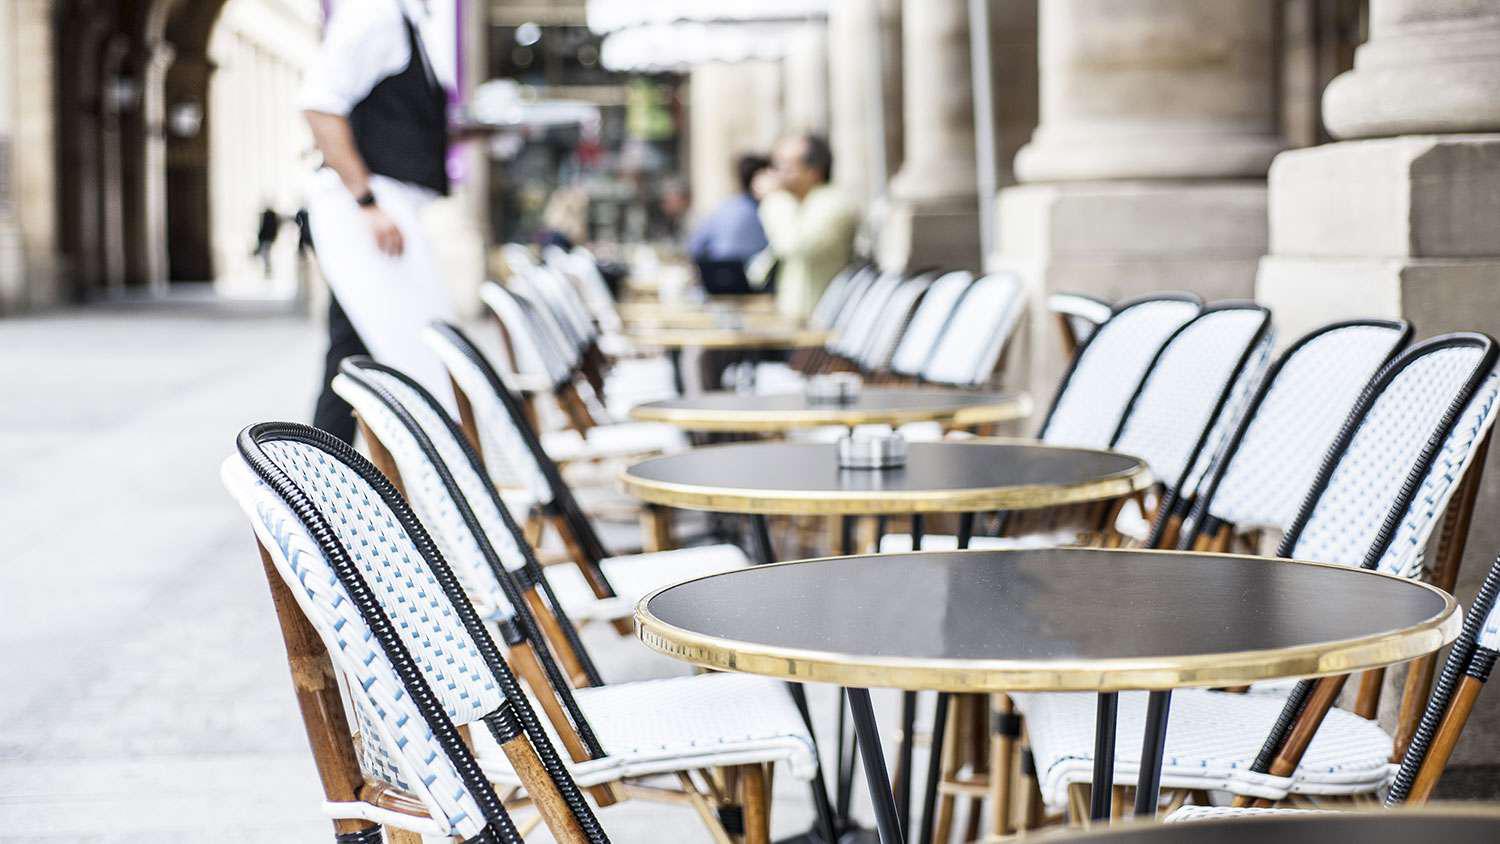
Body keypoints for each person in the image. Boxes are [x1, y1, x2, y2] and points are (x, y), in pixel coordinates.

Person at [301, 0, 457, 444]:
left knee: (352, 354)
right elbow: (318, 105)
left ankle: (321, 482)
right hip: (368, 209)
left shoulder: (405, 19)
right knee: (417, 355)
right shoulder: (375, 15)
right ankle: (433, 476)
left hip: (381, 206)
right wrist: (366, 202)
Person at [755, 135, 857, 320]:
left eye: (784, 166)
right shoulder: (803, 203)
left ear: (814, 172)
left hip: (819, 326)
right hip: (800, 322)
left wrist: (774, 197)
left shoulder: (832, 203)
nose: (775, 174)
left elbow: (792, 245)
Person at [685, 154, 770, 263]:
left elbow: (695, 246)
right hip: (749, 275)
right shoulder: (764, 211)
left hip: (718, 272)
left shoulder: (724, 207)